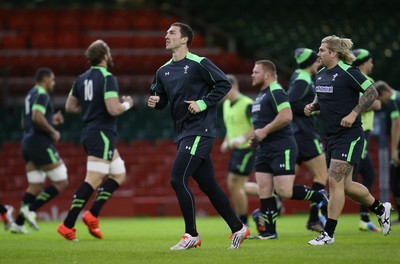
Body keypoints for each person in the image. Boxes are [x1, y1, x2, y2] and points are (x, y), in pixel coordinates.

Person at [148, 22, 249, 250]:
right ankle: (238, 228)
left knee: (177, 178)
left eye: (171, 33)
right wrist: (156, 103)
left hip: (199, 130)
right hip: (182, 133)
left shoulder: (199, 63)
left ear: (184, 39)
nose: (166, 36)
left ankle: (191, 234)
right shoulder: (162, 70)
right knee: (209, 185)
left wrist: (202, 103)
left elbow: (223, 84)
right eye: (166, 33)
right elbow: (162, 99)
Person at [305, 35, 392, 245]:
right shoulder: (320, 74)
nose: (318, 54)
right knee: (347, 186)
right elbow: (321, 97)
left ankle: (328, 234)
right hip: (332, 136)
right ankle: (382, 209)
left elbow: (371, 92)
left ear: (333, 53)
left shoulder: (349, 72)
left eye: (322, 50)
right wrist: (313, 106)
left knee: (334, 182)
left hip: (350, 136)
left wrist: (354, 113)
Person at [57, 39, 133, 241]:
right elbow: (113, 109)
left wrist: (91, 108)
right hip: (102, 133)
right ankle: (67, 224)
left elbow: (70, 107)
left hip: (91, 131)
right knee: (93, 179)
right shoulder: (108, 77)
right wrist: (126, 104)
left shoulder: (81, 78)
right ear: (105, 55)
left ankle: (92, 215)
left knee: (118, 173)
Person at [248, 59, 328, 240]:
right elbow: (261, 125)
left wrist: (264, 131)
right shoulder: (260, 95)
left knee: (284, 191)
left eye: (256, 72)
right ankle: (269, 232)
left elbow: (287, 115)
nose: (252, 75)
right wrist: (255, 139)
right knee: (264, 190)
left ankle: (319, 196)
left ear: (267, 75)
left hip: (281, 147)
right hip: (264, 149)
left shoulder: (276, 90)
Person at [11, 67, 68, 234]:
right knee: (62, 180)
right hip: (39, 143)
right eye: (53, 79)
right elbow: (37, 116)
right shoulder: (42, 94)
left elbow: (26, 122)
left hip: (27, 143)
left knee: (35, 186)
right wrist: (53, 131)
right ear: (45, 79)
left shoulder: (30, 94)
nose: (54, 83)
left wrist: (51, 120)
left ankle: (18, 223)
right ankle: (31, 209)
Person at [287, 48, 328, 232]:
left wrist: (312, 108)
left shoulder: (297, 76)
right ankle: (313, 219)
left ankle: (264, 211)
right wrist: (312, 108)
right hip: (306, 134)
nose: (319, 64)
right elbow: (291, 104)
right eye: (316, 61)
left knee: (285, 184)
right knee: (322, 176)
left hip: (296, 134)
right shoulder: (303, 80)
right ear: (310, 63)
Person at [220, 74, 258, 226]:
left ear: (234, 86)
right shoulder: (226, 105)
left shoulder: (248, 104)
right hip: (236, 150)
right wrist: (226, 140)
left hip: (247, 148)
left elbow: (257, 125)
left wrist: (241, 139)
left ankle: (243, 221)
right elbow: (231, 127)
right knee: (233, 185)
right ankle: (271, 193)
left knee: (236, 184)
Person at [351, 49, 382, 232]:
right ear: (364, 62)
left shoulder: (352, 77)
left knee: (361, 177)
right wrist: (374, 104)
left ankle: (364, 218)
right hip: (359, 132)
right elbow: (375, 103)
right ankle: (323, 210)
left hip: (363, 133)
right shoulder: (363, 80)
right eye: (370, 61)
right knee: (353, 180)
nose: (372, 65)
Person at [374, 80, 400, 224]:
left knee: (395, 182)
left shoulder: (394, 100)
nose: (381, 103)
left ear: (383, 93)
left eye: (379, 99)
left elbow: (397, 124)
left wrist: (394, 150)